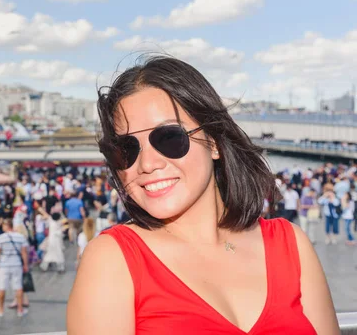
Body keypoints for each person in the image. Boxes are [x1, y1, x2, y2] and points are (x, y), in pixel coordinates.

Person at [68, 57, 339, 334]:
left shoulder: (291, 244)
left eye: (169, 138)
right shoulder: (112, 260)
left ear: (214, 142)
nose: (147, 164)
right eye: (127, 149)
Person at [0, 218, 29, 318]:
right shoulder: (20, 237)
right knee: (18, 287)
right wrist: (25, 265)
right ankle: (20, 309)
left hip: (4, 266)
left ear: (5, 226)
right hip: (17, 264)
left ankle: (0, 309)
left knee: (1, 287)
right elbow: (24, 253)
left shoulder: (1, 238)